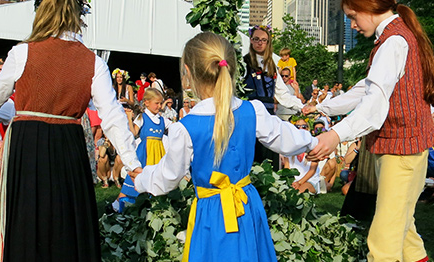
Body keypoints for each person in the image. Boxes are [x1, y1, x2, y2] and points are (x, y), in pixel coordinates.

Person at [0, 0, 141, 262]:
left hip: (28, 144)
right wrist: (131, 159)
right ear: (77, 15)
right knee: (67, 214)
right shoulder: (93, 62)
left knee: (27, 214)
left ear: (41, 13)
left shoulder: (23, 52)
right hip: (68, 144)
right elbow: (112, 114)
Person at [132, 32, 321, 262]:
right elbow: (283, 136)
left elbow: (168, 176)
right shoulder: (253, 110)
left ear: (188, 73)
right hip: (246, 205)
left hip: (212, 213)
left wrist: (140, 178)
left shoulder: (185, 128)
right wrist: (314, 142)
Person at [304, 0, 434, 262]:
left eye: (352, 16)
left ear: (368, 6)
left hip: (401, 151)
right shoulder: (405, 37)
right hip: (408, 150)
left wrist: (336, 134)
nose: (352, 24)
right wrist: (325, 109)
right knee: (405, 231)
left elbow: (374, 104)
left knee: (383, 242)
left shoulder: (393, 42)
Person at [244, 25, 305, 170]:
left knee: (268, 162)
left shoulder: (272, 65)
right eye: (256, 39)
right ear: (251, 41)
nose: (260, 43)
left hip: (269, 118)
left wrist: (303, 107)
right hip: (249, 117)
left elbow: (282, 94)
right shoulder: (243, 64)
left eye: (263, 40)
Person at [113, 88, 170, 211]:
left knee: (156, 179)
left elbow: (174, 128)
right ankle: (117, 206)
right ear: (147, 102)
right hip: (144, 153)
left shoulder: (162, 120)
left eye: (161, 103)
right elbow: (133, 132)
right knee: (134, 179)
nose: (159, 106)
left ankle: (154, 206)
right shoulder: (142, 117)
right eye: (157, 103)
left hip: (158, 153)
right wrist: (129, 118)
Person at [287, 117, 320, 194]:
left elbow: (312, 170)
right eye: (297, 127)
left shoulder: (314, 146)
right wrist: (290, 181)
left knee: (298, 193)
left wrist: (299, 182)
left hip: (310, 180)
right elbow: (287, 168)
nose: (301, 129)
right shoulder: (288, 147)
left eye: (304, 126)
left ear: (308, 128)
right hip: (293, 181)